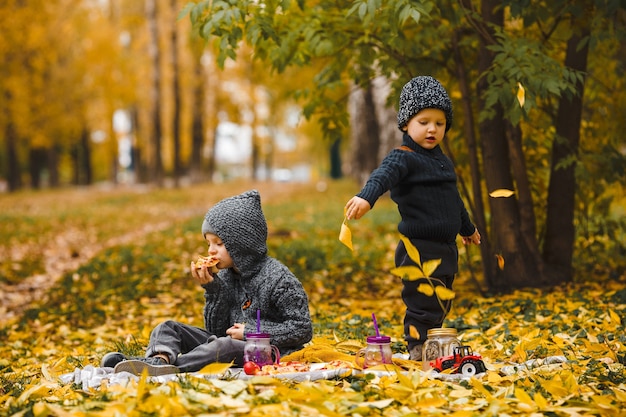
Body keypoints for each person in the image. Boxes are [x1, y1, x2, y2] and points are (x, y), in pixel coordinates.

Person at [101, 190, 313, 375]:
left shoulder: (278, 279)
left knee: (223, 347)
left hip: (267, 351)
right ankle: (158, 359)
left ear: (242, 246)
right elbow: (216, 330)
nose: (211, 250)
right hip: (227, 343)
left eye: (219, 243)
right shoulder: (227, 275)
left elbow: (302, 329)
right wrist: (213, 290)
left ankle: (168, 367)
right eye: (209, 243)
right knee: (168, 327)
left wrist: (250, 333)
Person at [344, 76, 481, 361]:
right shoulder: (403, 157)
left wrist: (467, 227)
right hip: (418, 248)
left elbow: (453, 199)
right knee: (421, 302)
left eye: (439, 123)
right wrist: (366, 197)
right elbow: (382, 176)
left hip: (446, 247)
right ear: (406, 124)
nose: (432, 129)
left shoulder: (442, 161)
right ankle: (417, 346)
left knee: (442, 300)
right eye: (424, 122)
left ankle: (434, 344)